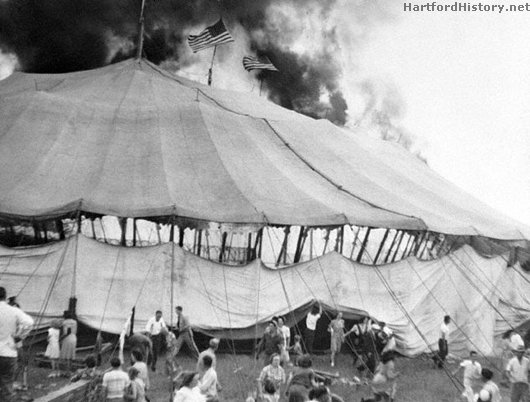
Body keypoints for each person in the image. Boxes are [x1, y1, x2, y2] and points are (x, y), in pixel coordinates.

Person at [0, 287, 33, 402]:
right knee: (7, 383)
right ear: (5, 297)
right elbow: (29, 322)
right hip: (8, 351)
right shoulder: (13, 310)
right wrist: (19, 336)